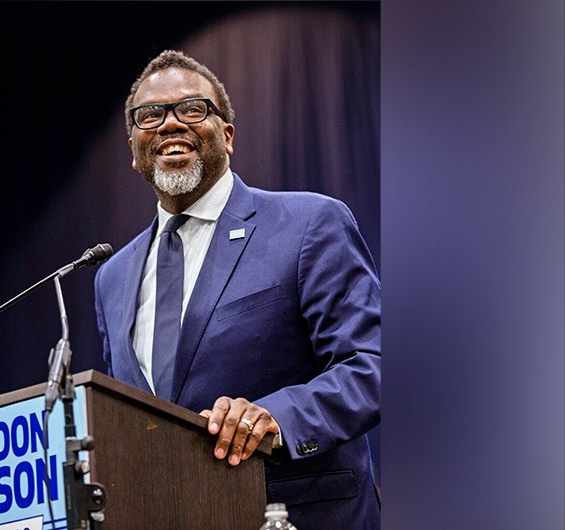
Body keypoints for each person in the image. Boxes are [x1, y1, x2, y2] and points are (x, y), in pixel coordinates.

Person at [93, 50, 381, 529]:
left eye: (192, 109)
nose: (170, 123)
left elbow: (372, 364)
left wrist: (278, 417)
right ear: (133, 148)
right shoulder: (112, 276)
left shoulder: (309, 223)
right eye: (151, 115)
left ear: (227, 135)